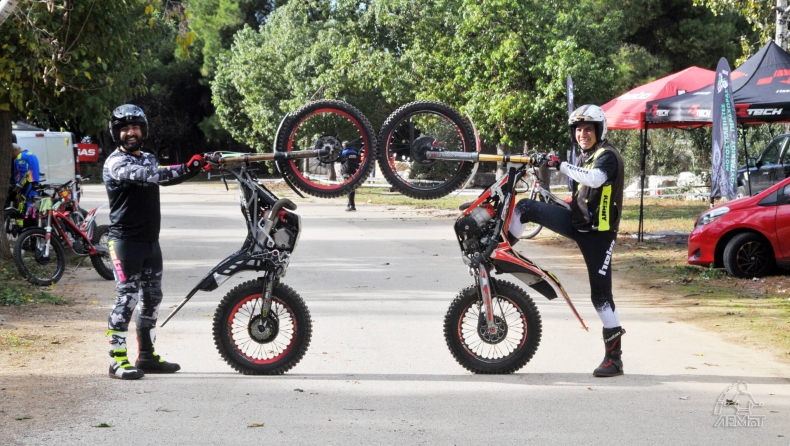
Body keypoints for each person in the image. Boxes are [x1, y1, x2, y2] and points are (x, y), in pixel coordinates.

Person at [508, 104, 626, 377]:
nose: (582, 134)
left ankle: (614, 359)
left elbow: (596, 181)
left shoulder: (606, 156)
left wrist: (560, 164)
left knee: (601, 297)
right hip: (578, 223)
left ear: (599, 130)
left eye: (588, 129)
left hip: (599, 235)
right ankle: (502, 249)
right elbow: (585, 196)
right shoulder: (587, 155)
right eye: (578, 130)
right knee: (526, 208)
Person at [103, 104, 205, 380]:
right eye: (124, 128)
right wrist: (189, 166)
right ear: (117, 132)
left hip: (150, 243)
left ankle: (146, 356)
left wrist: (196, 166)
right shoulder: (116, 163)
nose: (130, 132)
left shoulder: (147, 157)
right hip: (124, 243)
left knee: (152, 299)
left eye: (135, 127)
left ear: (143, 129)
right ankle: (117, 361)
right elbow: (153, 176)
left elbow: (162, 172)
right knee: (127, 299)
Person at [11, 134, 41, 227]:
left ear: (14, 151)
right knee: (32, 206)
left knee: (22, 207)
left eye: (11, 153)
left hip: (27, 185)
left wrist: (18, 187)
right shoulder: (31, 154)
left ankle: (24, 228)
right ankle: (32, 229)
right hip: (34, 183)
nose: (11, 156)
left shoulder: (20, 157)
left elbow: (23, 173)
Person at [340, 141, 360, 211]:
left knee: (349, 188)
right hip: (354, 172)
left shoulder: (344, 153)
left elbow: (340, 160)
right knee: (352, 188)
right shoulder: (355, 152)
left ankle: (352, 205)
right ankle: (350, 204)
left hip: (346, 172)